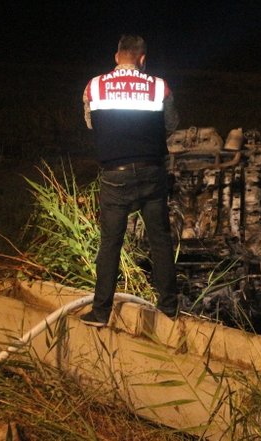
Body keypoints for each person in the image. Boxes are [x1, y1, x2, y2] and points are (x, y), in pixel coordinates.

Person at [80, 34, 180, 327]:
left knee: (110, 244)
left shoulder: (94, 86)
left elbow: (90, 122)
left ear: (116, 56)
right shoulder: (160, 87)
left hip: (115, 175)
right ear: (142, 59)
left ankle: (100, 313)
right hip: (151, 172)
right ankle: (169, 308)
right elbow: (172, 125)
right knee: (160, 240)